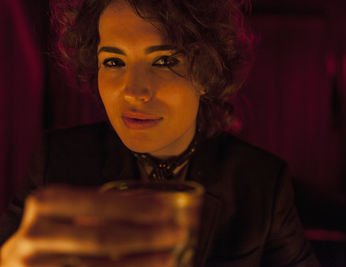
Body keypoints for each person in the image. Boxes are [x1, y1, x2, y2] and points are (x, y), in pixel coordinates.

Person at [0, 0, 320, 266]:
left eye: (164, 61)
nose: (134, 91)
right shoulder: (55, 160)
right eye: (113, 61)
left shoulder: (263, 182)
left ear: (207, 72)